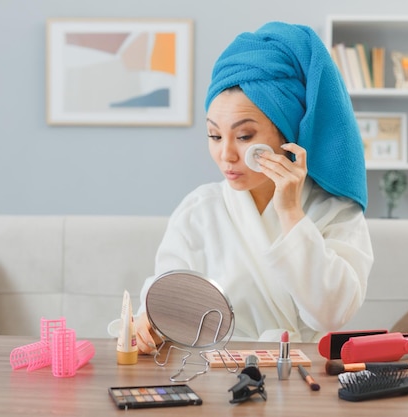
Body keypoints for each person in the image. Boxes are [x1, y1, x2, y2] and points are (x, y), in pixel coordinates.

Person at [135, 21, 373, 353]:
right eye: (215, 136)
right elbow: (166, 298)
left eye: (244, 136)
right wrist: (151, 324)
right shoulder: (199, 210)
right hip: (218, 377)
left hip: (303, 374)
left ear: (287, 135)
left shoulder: (336, 211)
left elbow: (331, 315)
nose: (226, 154)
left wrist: (291, 214)